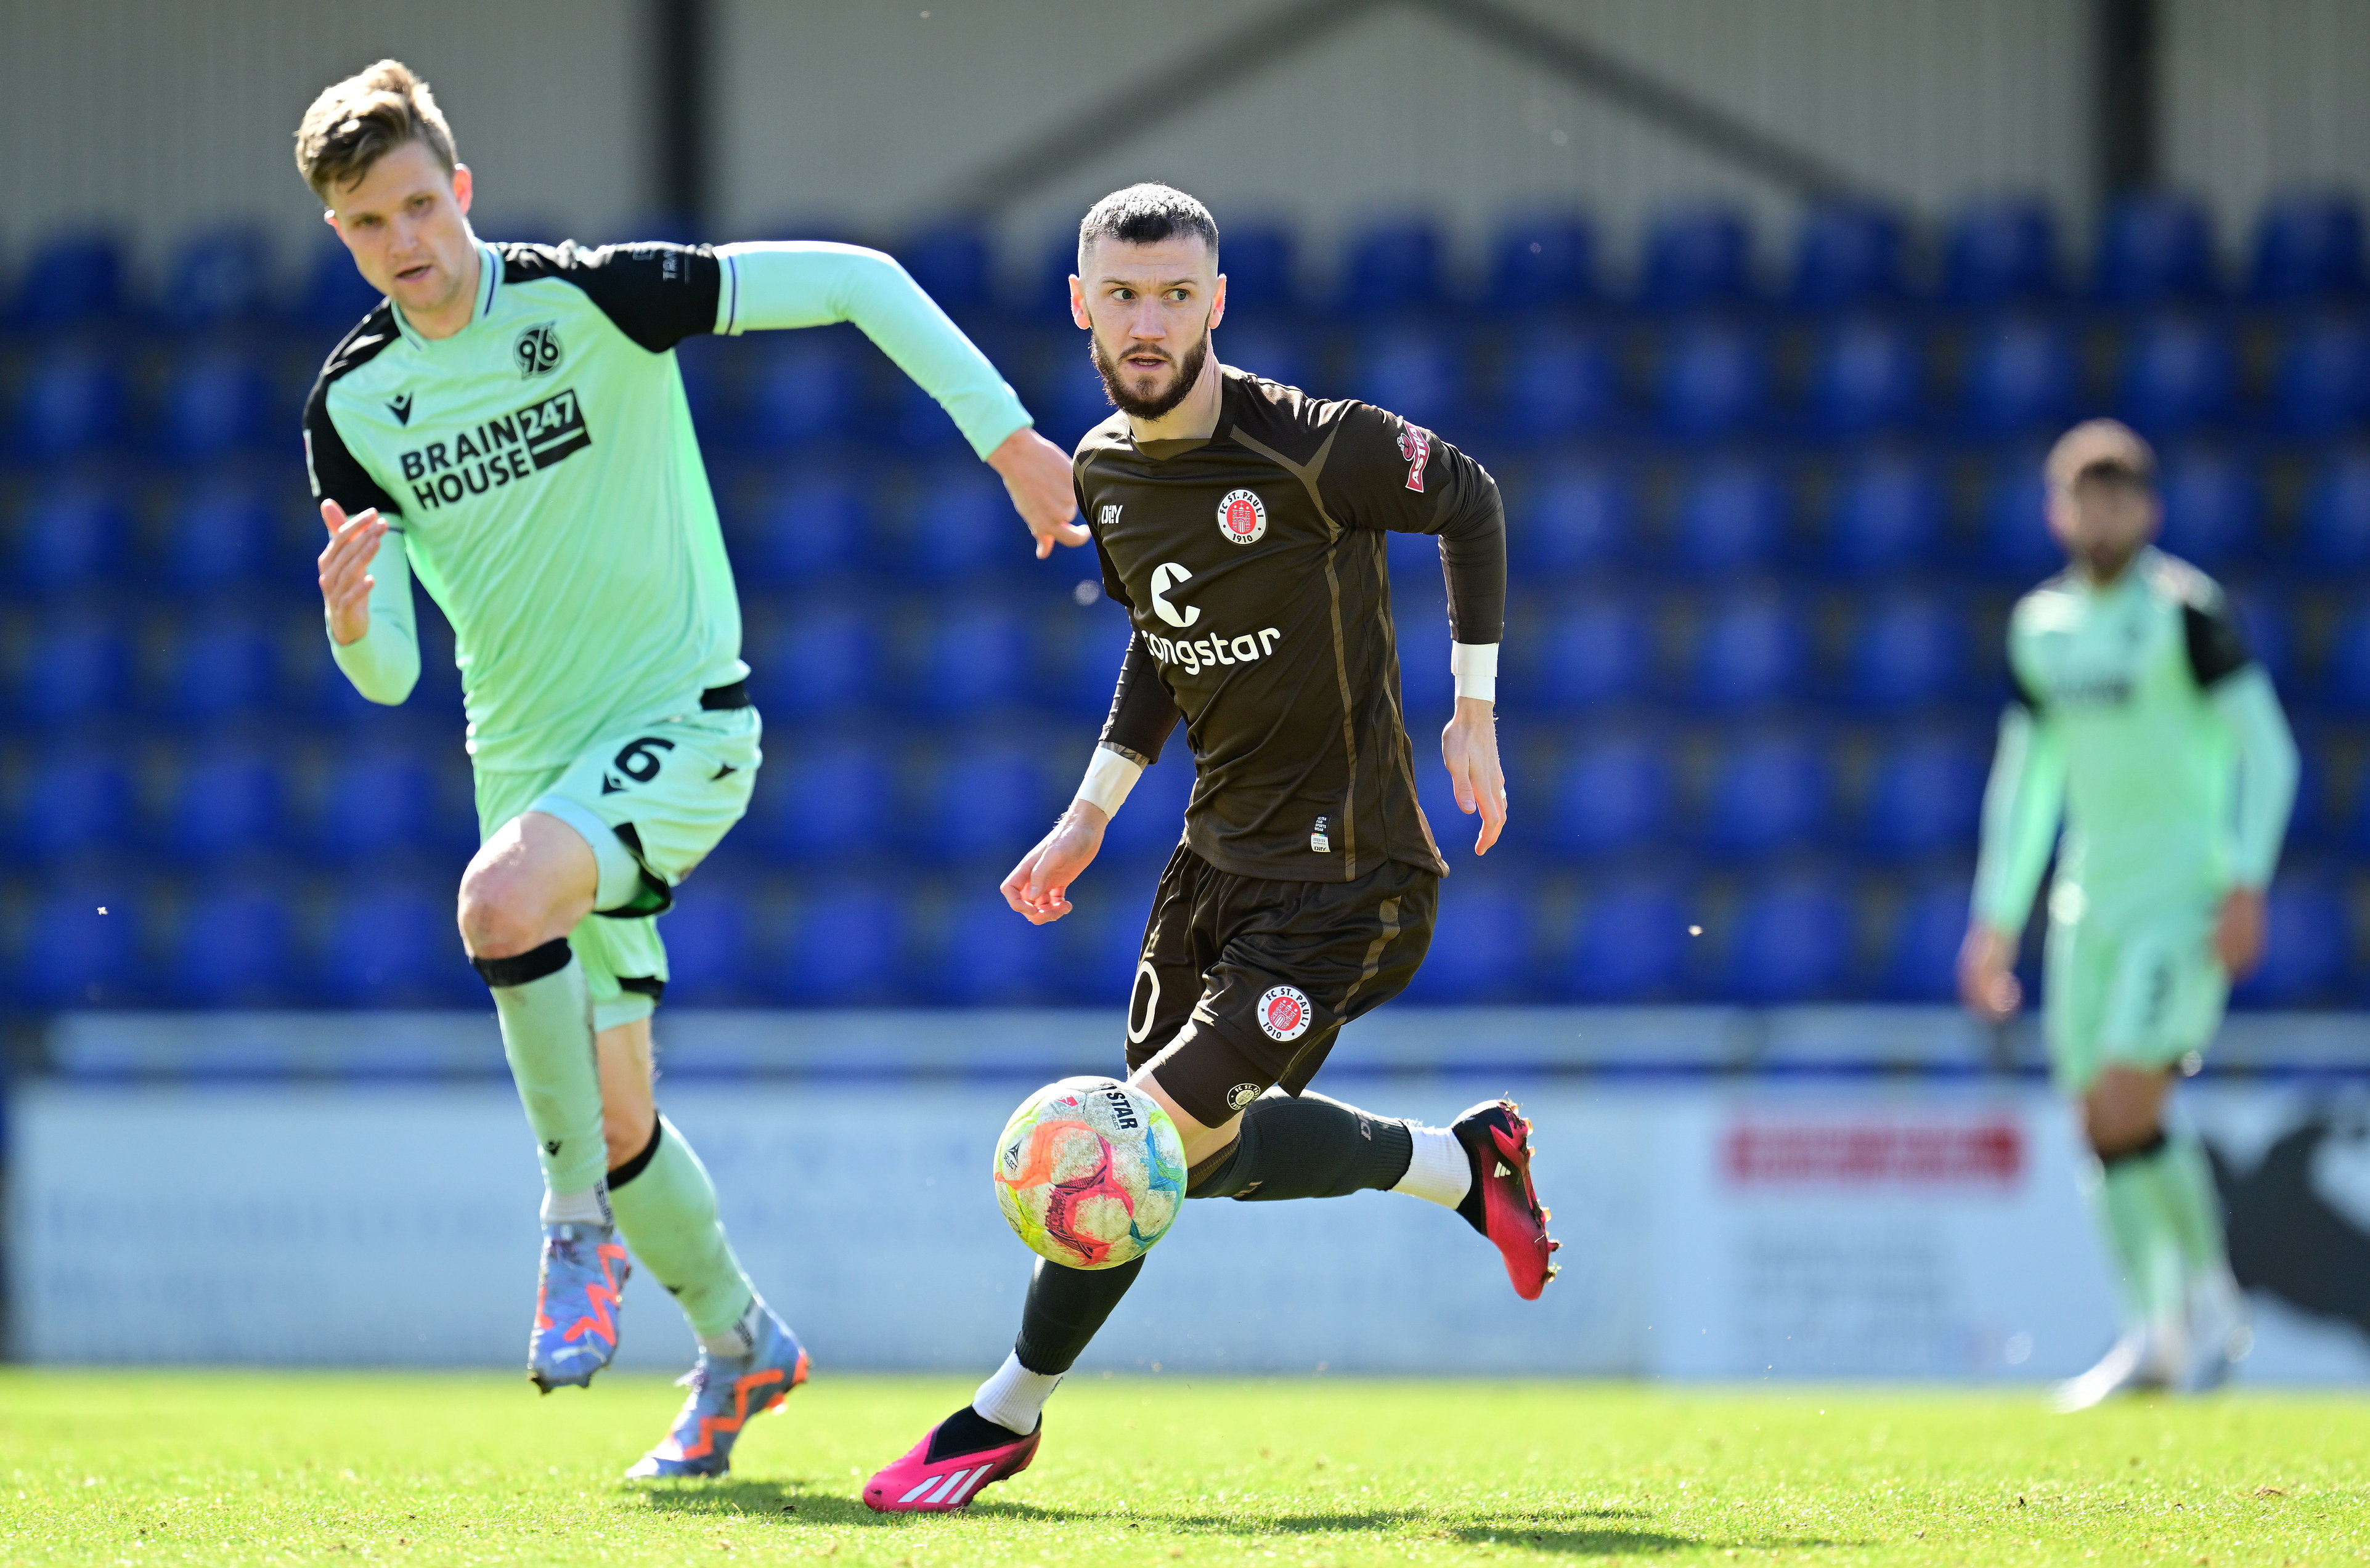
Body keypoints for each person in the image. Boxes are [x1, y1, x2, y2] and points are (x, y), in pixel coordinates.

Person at [293, 60, 1082, 1477]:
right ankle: (739, 1347)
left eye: (419, 203)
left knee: (495, 906)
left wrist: (1011, 437)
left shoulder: (593, 299)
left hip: (683, 727)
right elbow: (395, 676)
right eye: (366, 223)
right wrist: (354, 619)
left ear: (460, 189)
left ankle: (569, 1229)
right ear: (339, 234)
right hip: (525, 771)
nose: (403, 240)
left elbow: (855, 276)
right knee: (616, 1109)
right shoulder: (354, 408)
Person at [863, 184, 1557, 1514]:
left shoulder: (1310, 445)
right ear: (1082, 305)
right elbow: (1161, 636)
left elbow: (1470, 499)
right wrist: (1089, 811)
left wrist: (1472, 712)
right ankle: (1465, 1166)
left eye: (1176, 294)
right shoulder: (1107, 473)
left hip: (1348, 881)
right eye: (1123, 295)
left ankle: (998, 1416)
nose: (1148, 320)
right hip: (1211, 867)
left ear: (1216, 304)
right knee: (1200, 1159)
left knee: (1126, 1154)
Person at [1958, 420, 2297, 1411]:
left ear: (2146, 512)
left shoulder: (2186, 613)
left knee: (2124, 1098)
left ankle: (2196, 1309)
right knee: (2096, 1122)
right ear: (2057, 511)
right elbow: (2027, 781)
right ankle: (2157, 1333)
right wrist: (1995, 917)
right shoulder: (2040, 627)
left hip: (2178, 900)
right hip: (2086, 906)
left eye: (2119, 500)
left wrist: (2244, 879)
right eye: (2083, 499)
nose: (2100, 517)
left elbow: (2266, 752)